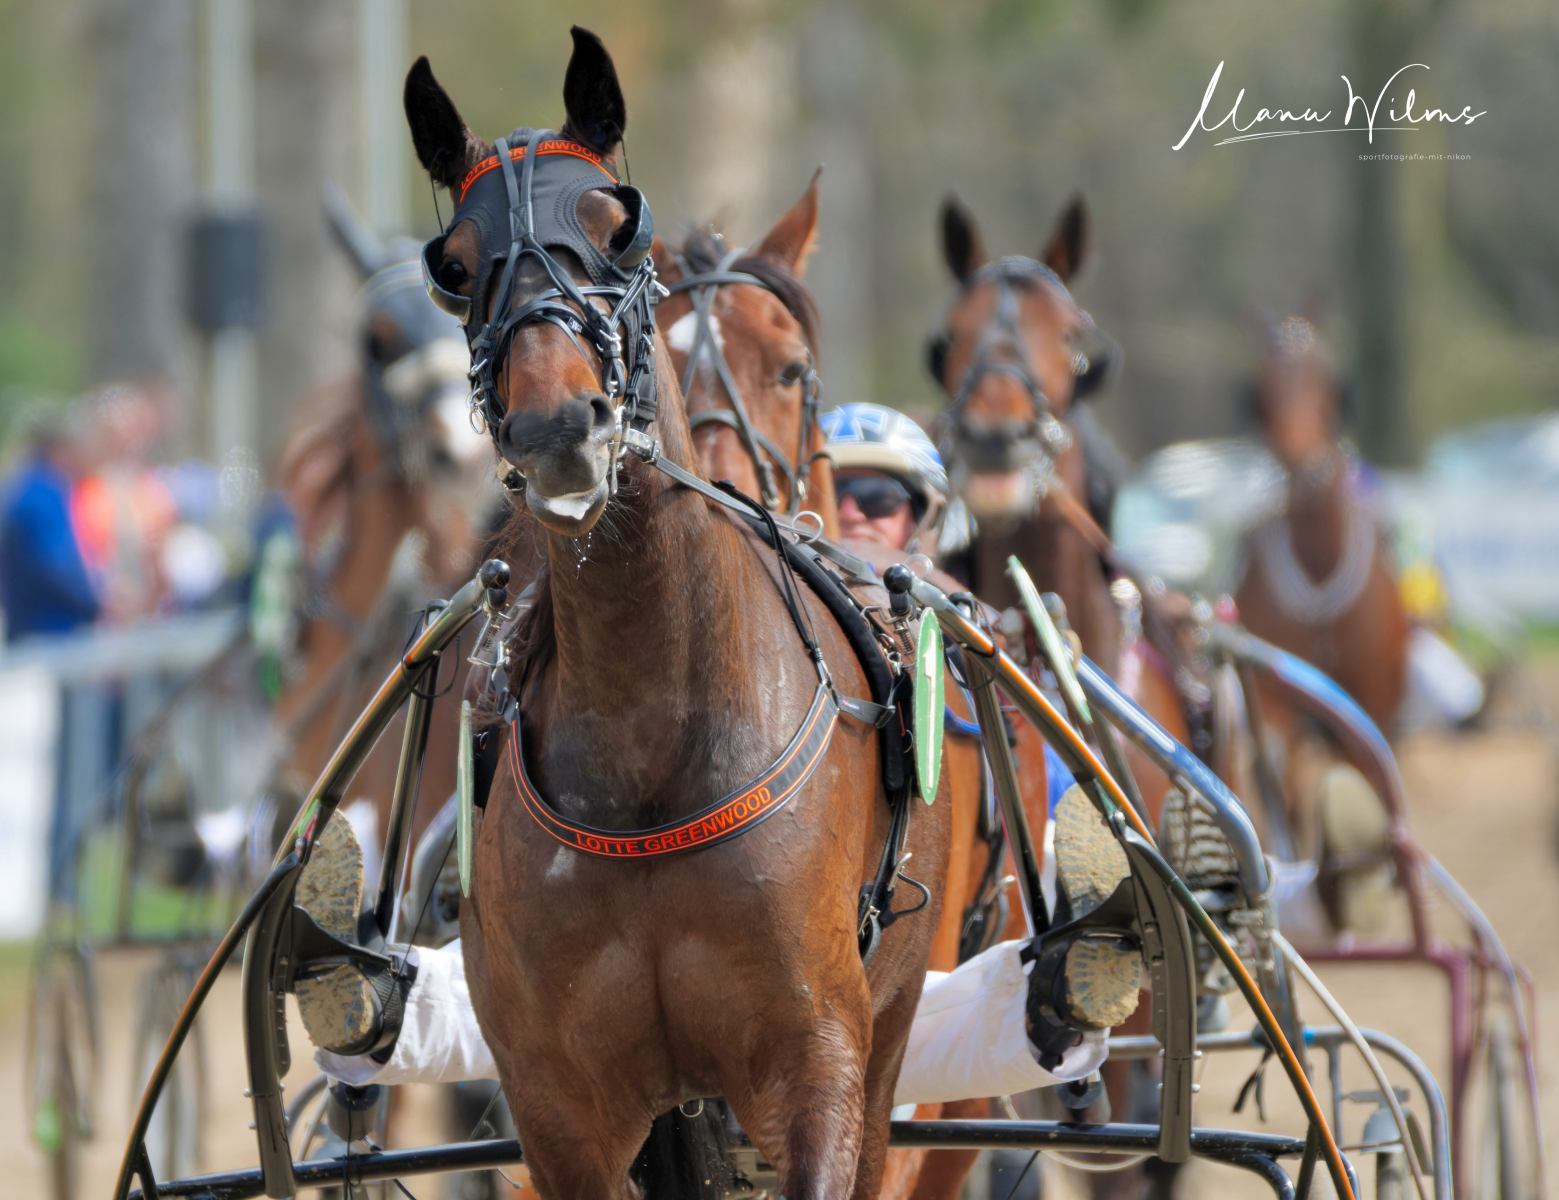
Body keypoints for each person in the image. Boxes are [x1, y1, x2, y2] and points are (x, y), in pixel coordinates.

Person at [295, 402, 1138, 1106]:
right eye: (838, 491)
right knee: (538, 1007)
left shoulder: (950, 627)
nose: (854, 515)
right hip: (687, 964)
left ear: (924, 519)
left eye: (880, 497)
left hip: (855, 1003)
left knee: (945, 1022)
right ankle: (371, 1002)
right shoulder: (769, 629)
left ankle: (1073, 976)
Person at [0, 411, 100, 642]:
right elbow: (58, 567)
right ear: (63, 450)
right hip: (50, 631)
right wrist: (97, 601)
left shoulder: (24, 485)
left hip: (29, 627)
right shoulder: (43, 494)